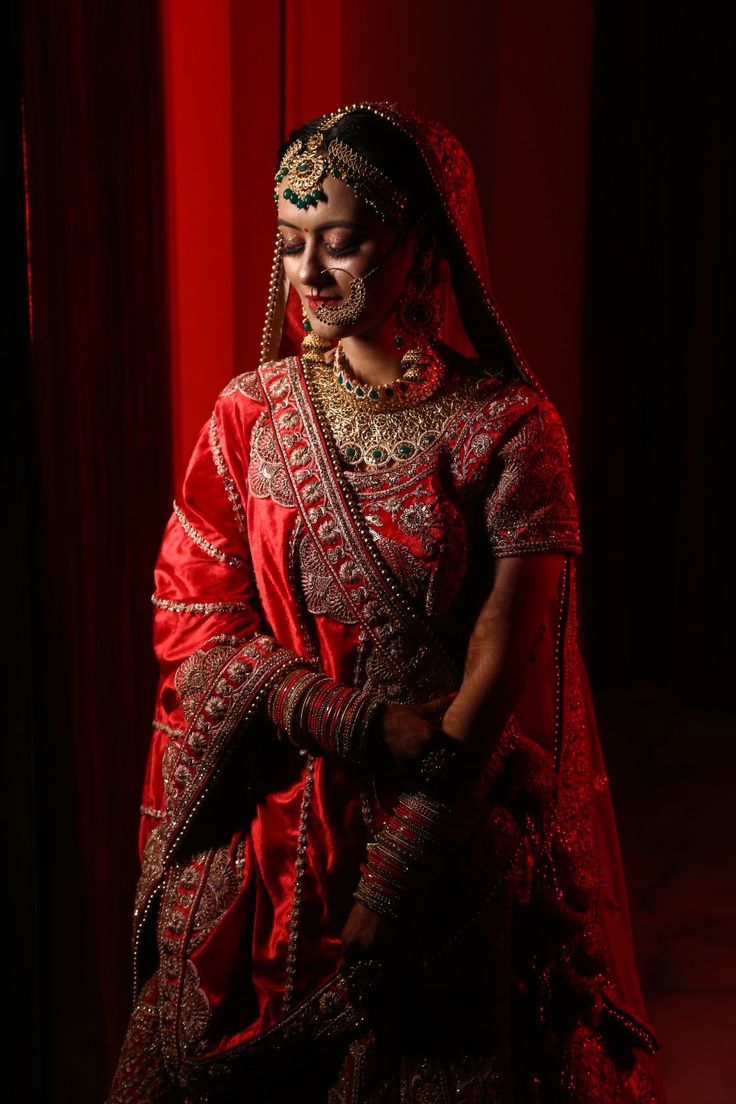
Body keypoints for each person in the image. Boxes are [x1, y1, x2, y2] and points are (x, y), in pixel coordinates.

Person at [108, 102, 666, 1102]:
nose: (309, 276)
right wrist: (354, 719)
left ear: (419, 245)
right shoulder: (248, 415)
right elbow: (192, 621)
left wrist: (404, 863)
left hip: (445, 827)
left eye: (341, 243)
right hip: (275, 838)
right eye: (289, 246)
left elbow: (503, 653)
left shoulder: (507, 427)